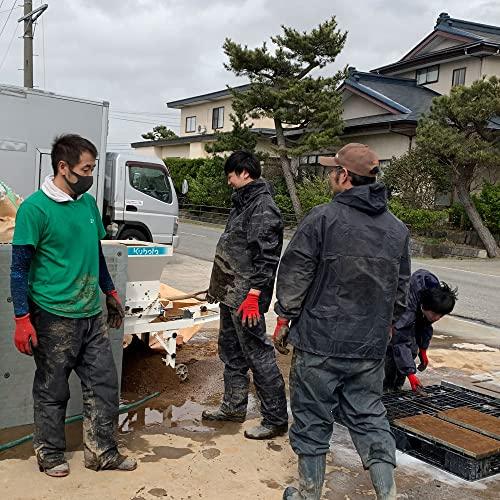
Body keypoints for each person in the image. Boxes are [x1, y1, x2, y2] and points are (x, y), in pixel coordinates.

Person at [273, 143, 411, 500]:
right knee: (369, 416)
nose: (329, 174)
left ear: (345, 176)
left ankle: (308, 494)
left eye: (332, 170)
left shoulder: (322, 218)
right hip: (369, 346)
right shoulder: (397, 229)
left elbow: (296, 270)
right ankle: (388, 496)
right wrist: (388, 326)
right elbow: (402, 289)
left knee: (312, 416)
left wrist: (284, 317)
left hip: (319, 341)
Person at [10, 134, 135, 477]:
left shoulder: (87, 205)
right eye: (86, 168)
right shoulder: (35, 209)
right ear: (63, 167)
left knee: (104, 384)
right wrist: (22, 318)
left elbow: (94, 251)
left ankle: (102, 452)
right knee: (53, 388)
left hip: (89, 313)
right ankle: (50, 454)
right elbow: (19, 270)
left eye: (92, 168)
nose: (90, 175)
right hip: (52, 316)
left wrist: (109, 291)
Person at [202, 150, 288, 440]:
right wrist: (218, 286)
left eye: (230, 176)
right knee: (231, 351)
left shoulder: (262, 207)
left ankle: (275, 418)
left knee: (258, 354)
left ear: (244, 173)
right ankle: (233, 406)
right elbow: (234, 248)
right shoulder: (243, 203)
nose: (229, 182)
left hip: (246, 298)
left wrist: (254, 295)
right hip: (231, 294)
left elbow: (266, 257)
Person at [384, 269, 458, 393]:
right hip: (385, 322)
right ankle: (385, 389)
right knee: (392, 351)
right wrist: (410, 374)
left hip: (410, 318)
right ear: (424, 306)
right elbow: (400, 339)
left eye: (441, 315)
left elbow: (425, 326)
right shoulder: (407, 304)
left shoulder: (433, 295)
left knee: (412, 349)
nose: (437, 318)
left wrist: (422, 350)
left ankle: (397, 387)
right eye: (434, 314)